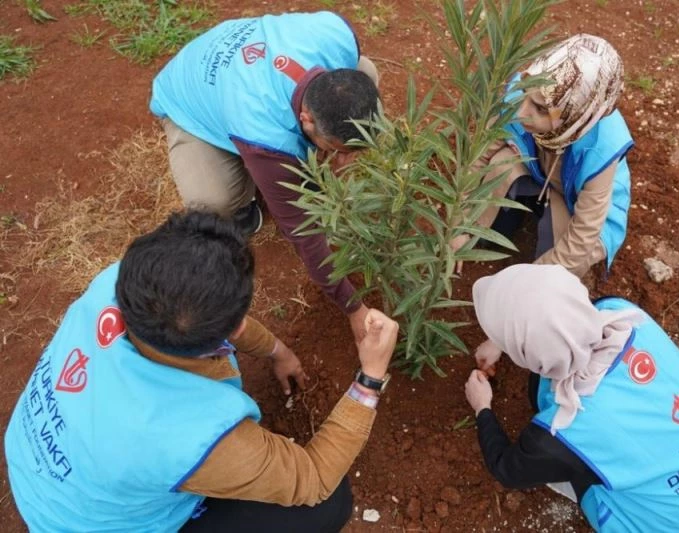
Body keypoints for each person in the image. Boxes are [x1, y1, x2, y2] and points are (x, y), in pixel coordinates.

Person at [4, 211, 398, 533]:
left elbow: (227, 322)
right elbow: (311, 478)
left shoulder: (123, 281)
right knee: (329, 505)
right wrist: (370, 376)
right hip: (85, 523)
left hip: (36, 463)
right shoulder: (187, 435)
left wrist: (277, 351)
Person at [149, 11, 381, 340]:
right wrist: (353, 308)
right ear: (306, 120)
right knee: (213, 201)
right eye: (337, 148)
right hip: (191, 96)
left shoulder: (336, 33)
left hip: (243, 66)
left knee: (366, 72)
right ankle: (245, 202)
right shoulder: (264, 133)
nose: (345, 159)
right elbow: (304, 233)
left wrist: (340, 147)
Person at [464, 264, 679, 532]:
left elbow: (507, 469)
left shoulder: (563, 431)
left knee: (579, 461)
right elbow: (556, 319)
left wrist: (482, 406)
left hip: (668, 525)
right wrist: (500, 342)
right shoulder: (621, 312)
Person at [453, 34, 633, 279]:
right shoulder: (523, 96)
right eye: (525, 95)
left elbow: (583, 237)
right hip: (539, 174)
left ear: (575, 115)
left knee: (560, 271)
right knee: (499, 163)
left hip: (582, 210)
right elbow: (478, 160)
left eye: (540, 108)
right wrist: (459, 226)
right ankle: (491, 231)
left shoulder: (600, 149)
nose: (520, 112)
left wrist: (526, 282)